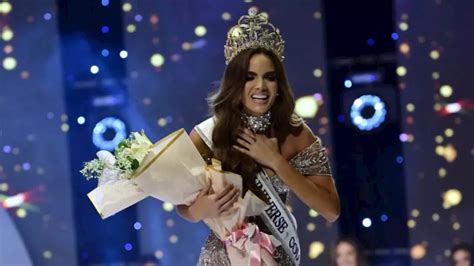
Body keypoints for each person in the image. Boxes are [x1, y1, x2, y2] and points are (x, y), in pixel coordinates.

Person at [177, 8, 340, 265]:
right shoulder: (209, 134)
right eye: (249, 77)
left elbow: (330, 210)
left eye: (269, 78)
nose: (260, 87)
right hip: (224, 256)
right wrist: (200, 210)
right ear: (235, 83)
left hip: (276, 254)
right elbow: (182, 203)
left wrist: (277, 162)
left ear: (279, 86)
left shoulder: (296, 135)